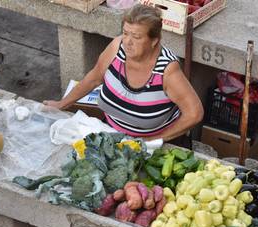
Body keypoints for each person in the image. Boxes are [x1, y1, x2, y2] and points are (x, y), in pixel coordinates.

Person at [44, 4, 204, 141]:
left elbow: (194, 113)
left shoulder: (167, 70)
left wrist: (152, 141)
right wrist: (61, 104)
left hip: (152, 146)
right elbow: (95, 77)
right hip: (111, 134)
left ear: (154, 41)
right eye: (126, 33)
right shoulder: (117, 47)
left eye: (136, 36)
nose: (127, 42)